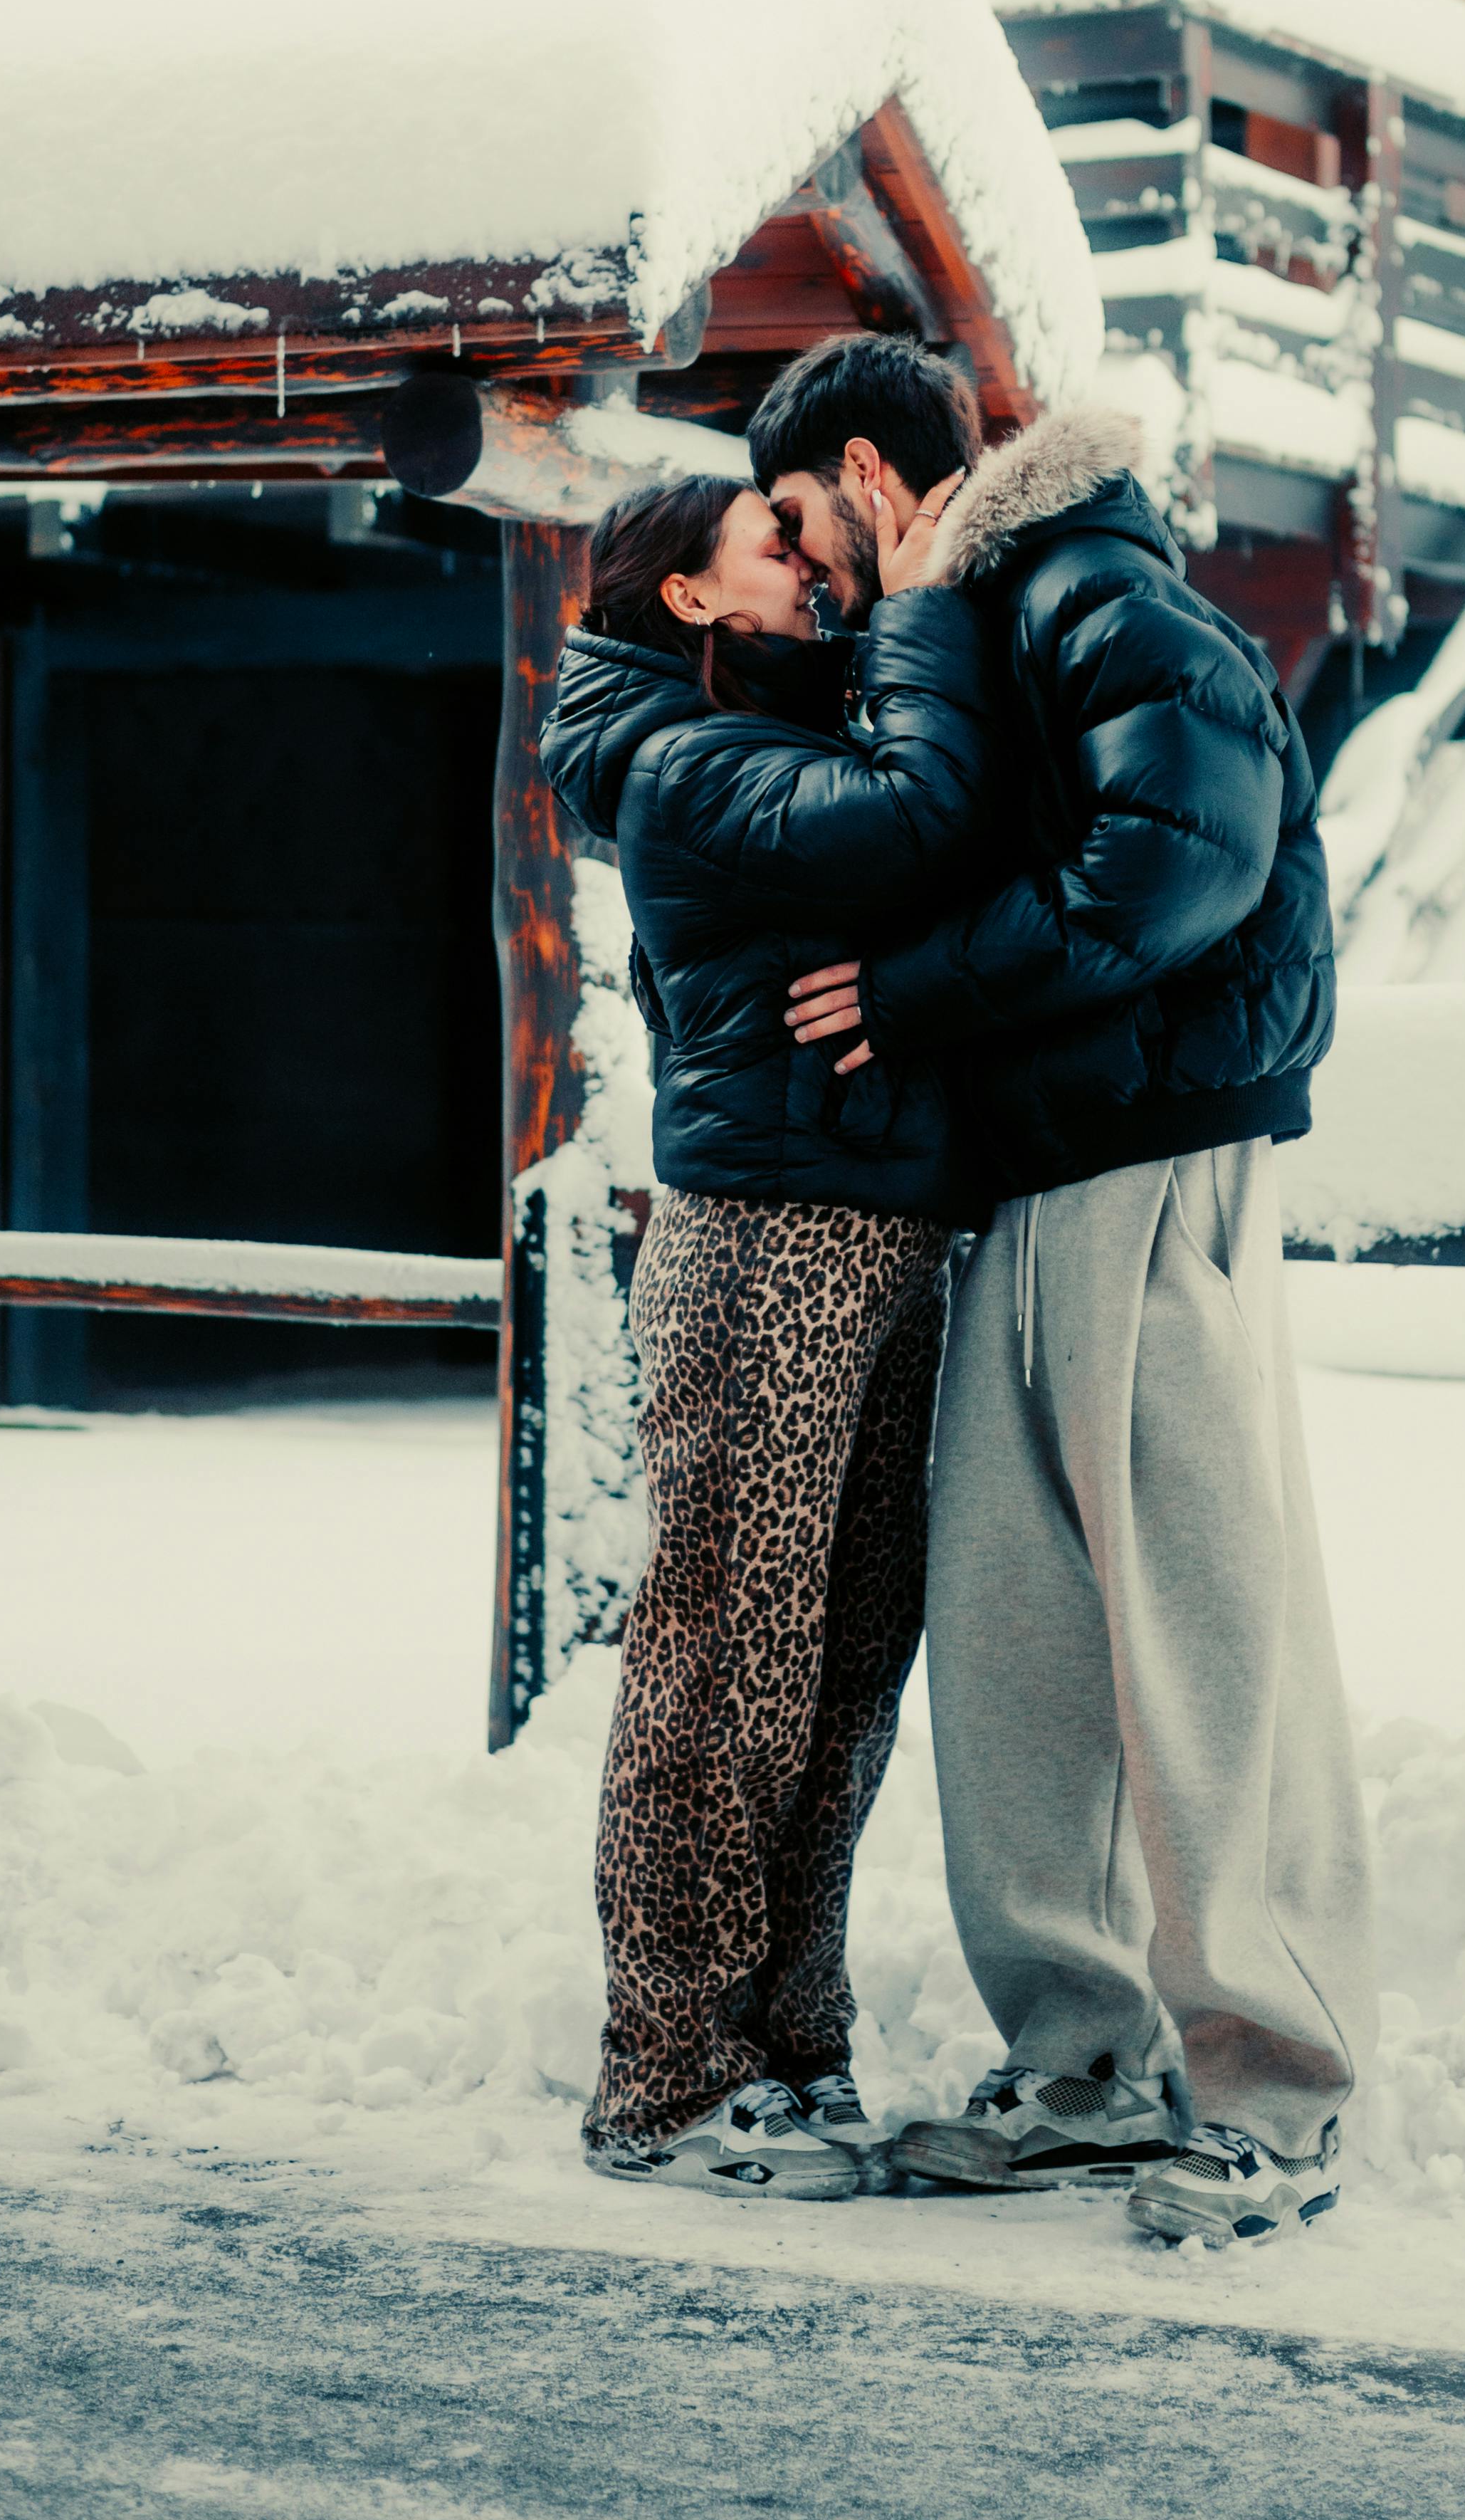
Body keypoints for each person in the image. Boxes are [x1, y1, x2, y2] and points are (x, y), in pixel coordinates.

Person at [757, 345, 1377, 2252]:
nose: (802, 563)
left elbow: (1181, 864)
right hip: (1036, 1170)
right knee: (1021, 1633)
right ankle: (1082, 2067)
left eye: (797, 522)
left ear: (871, 470)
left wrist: (922, 984)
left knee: (1199, 1627)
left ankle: (1274, 2084)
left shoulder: (1097, 585)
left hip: (1153, 1158)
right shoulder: (981, 617)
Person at [538, 442, 984, 2202]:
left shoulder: (763, 723)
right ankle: (663, 2070)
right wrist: (927, 610)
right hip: (762, 1246)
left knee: (845, 1663)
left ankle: (794, 2044)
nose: (808, 560)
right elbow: (912, 827)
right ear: (689, 591)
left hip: (874, 1228)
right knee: (725, 1657)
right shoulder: (682, 756)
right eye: (770, 542)